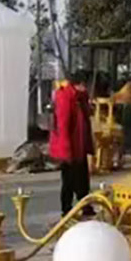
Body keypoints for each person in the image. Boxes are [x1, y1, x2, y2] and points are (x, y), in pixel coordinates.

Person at [49, 70, 94, 216]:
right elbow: (63, 125)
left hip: (79, 145)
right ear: (79, 84)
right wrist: (66, 150)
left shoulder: (81, 97)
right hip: (70, 146)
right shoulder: (66, 97)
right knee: (69, 179)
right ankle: (66, 208)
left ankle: (85, 205)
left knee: (83, 178)